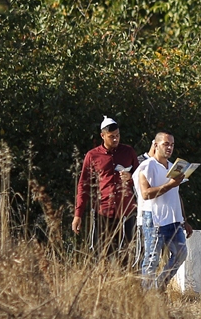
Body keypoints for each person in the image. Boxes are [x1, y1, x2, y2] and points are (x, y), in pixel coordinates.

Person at [72, 116, 139, 258]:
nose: (115, 139)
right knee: (102, 254)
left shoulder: (128, 152)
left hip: (127, 211)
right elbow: (83, 185)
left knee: (128, 253)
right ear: (102, 136)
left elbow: (142, 177)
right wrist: (78, 214)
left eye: (118, 136)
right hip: (104, 211)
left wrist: (131, 178)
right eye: (111, 137)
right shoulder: (92, 155)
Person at [135, 132, 194, 289]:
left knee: (181, 254)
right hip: (154, 218)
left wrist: (184, 220)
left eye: (172, 145)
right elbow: (146, 193)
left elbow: (176, 194)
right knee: (152, 259)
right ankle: (146, 294)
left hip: (173, 219)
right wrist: (170, 185)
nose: (169, 148)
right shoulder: (147, 166)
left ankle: (160, 285)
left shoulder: (174, 167)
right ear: (155, 145)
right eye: (166, 144)